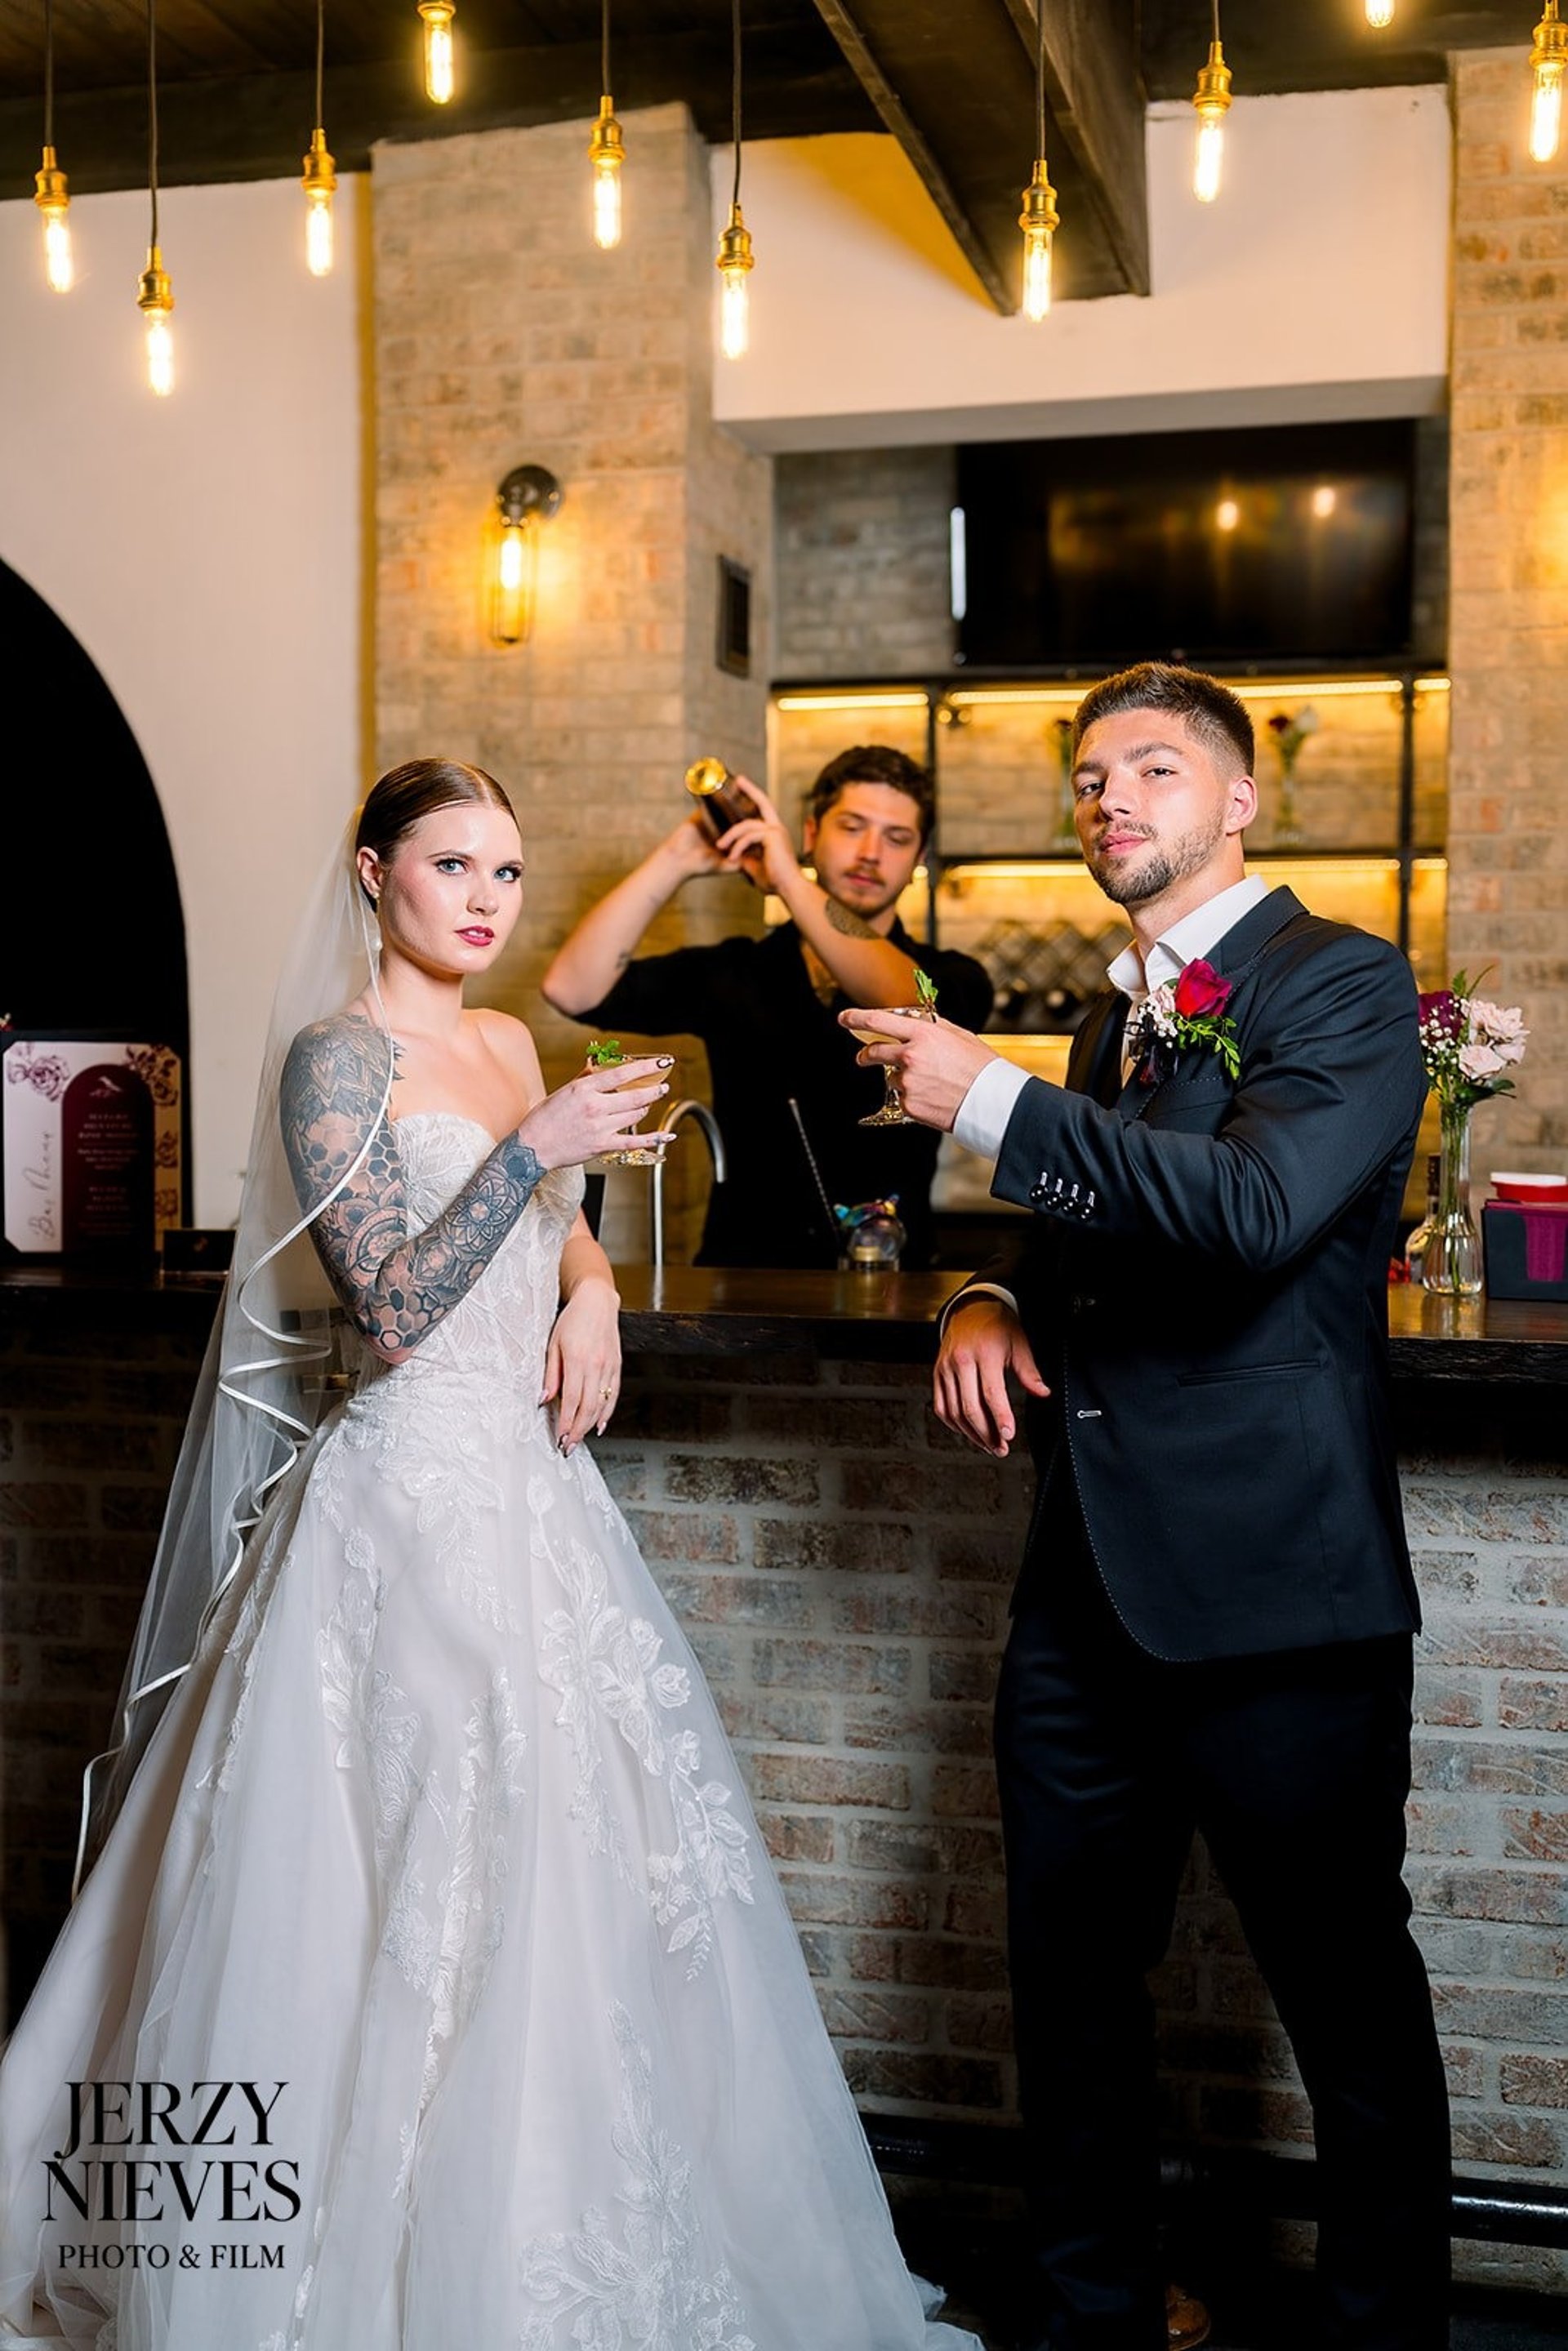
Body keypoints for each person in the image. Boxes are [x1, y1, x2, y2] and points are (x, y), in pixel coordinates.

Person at [0, 759, 981, 2351]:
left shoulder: (514, 1036)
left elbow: (559, 1226)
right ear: (376, 871)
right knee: (389, 1871)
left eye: (507, 873)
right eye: (452, 863)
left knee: (580, 1869)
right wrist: (533, 1152)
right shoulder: (338, 1060)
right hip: (399, 1511)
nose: (482, 897)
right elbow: (387, 1306)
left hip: (537, 1505)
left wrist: (591, 1279)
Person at [842, 666, 1450, 2351]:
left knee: (1347, 2003)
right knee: (1073, 1988)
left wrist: (986, 1098)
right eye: (1092, 772)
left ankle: (1386, 2329)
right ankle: (1092, 2314)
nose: (1112, 795)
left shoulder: (1346, 977)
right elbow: (1096, 1230)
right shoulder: (1114, 1018)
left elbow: (1255, 1209)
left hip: (1278, 1589)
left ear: (1240, 798)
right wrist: (983, 1282)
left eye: (1154, 767)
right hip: (1085, 1585)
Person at [541, 746, 992, 1267]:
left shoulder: (953, 979)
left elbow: (907, 1003)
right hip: (743, 1283)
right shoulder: (736, 971)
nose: (871, 852)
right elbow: (572, 989)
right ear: (809, 834)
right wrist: (678, 857)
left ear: (919, 859)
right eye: (851, 827)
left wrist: (788, 880)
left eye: (897, 839)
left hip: (893, 1284)